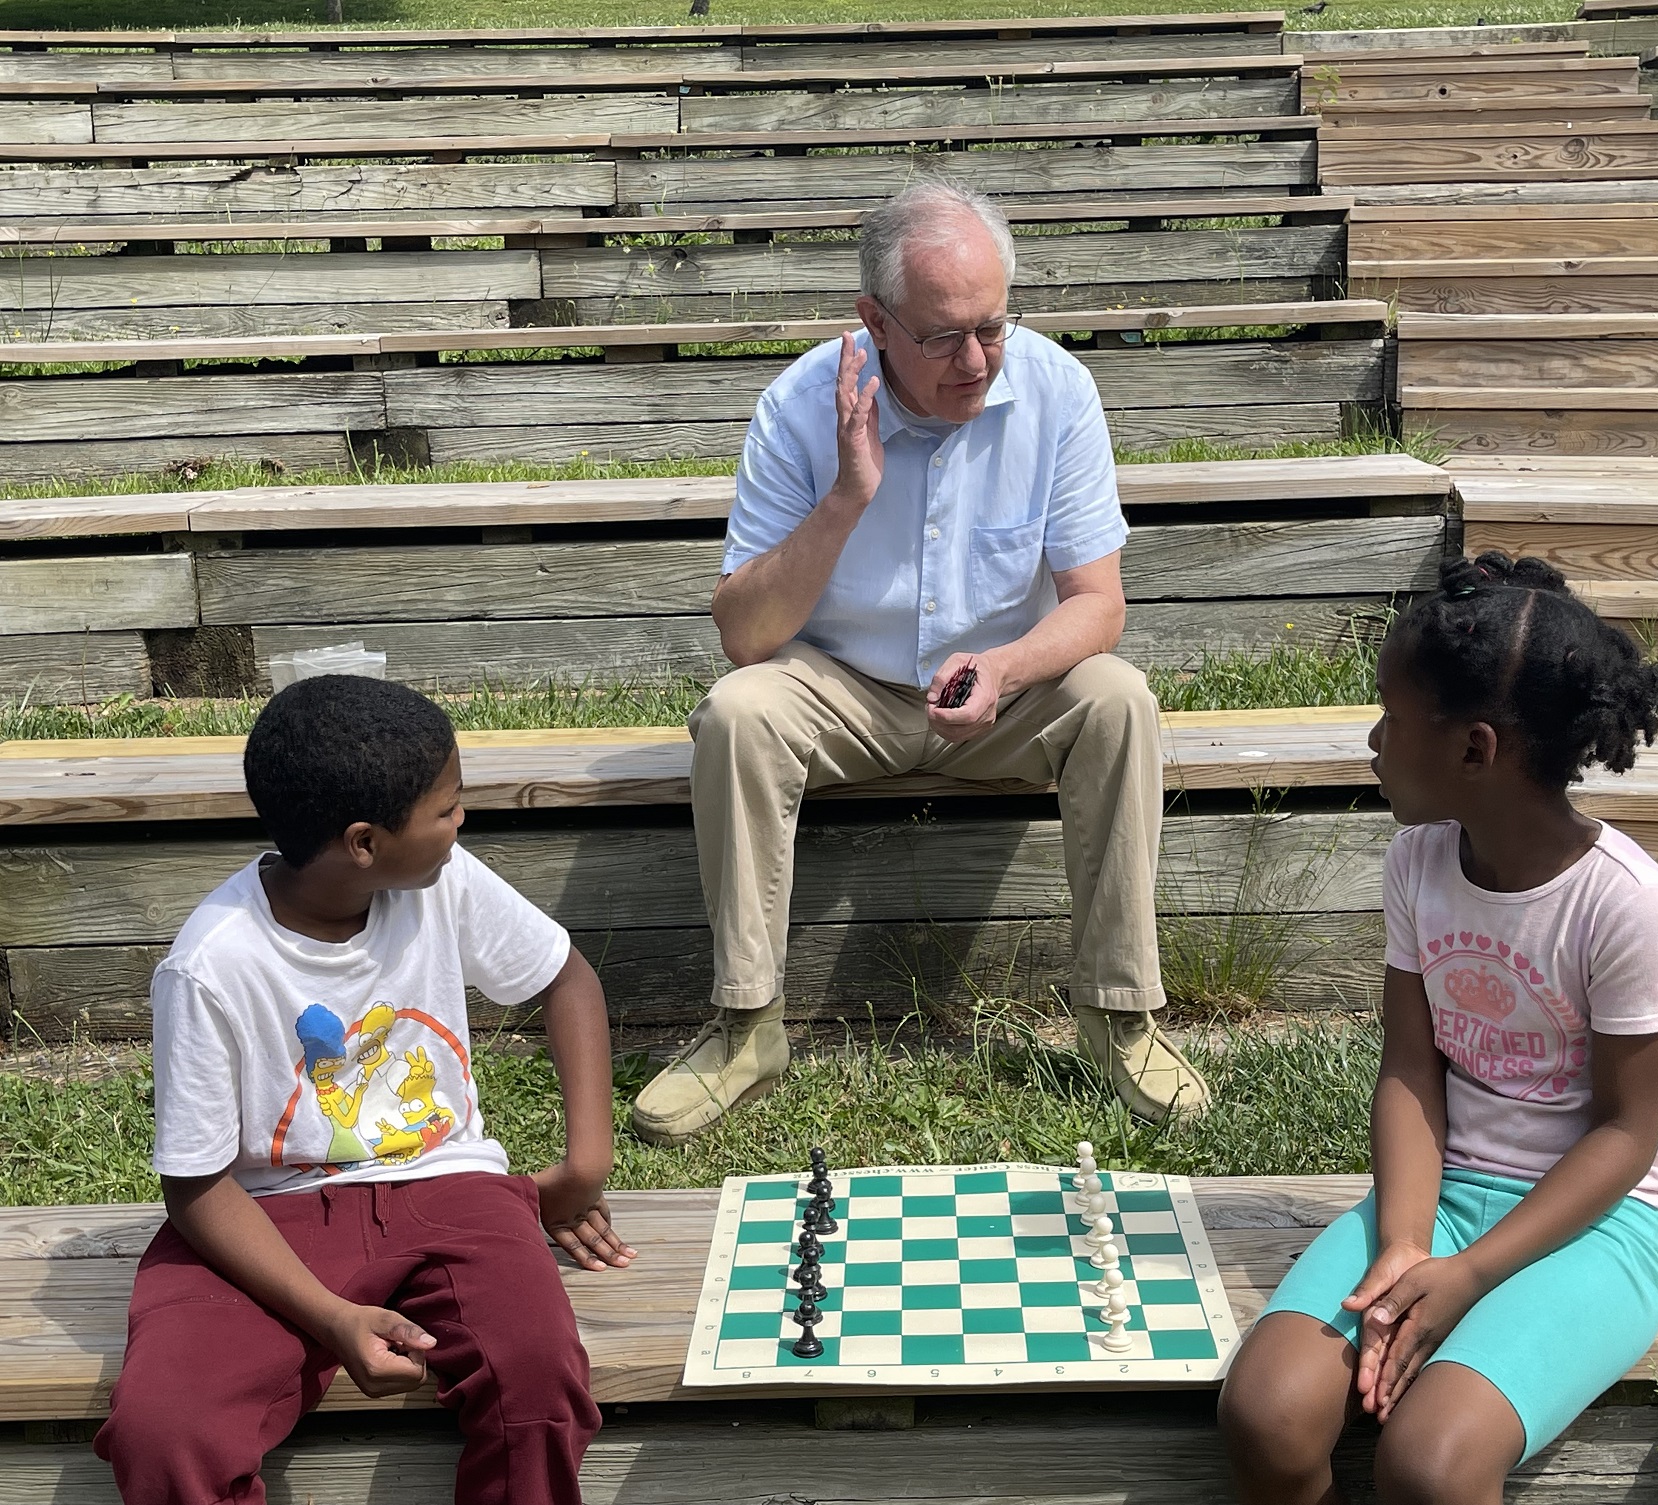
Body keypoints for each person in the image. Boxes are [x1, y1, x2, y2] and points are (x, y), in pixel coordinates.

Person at [629, 177, 1209, 1145]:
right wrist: (847, 496)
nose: (975, 360)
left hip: (1005, 683)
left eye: (992, 327)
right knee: (737, 710)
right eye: (943, 336)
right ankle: (746, 1028)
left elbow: (1097, 605)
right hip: (839, 687)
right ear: (874, 321)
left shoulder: (1056, 389)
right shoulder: (800, 402)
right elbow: (745, 635)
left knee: (1117, 699)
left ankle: (1118, 1015)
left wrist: (1009, 667)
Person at [1217, 553, 1658, 1505]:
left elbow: (1626, 1133)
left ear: (1476, 750)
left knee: (1430, 1466)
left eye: (1394, 719)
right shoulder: (1418, 862)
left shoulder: (1628, 905)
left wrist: (1469, 1273)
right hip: (1437, 1197)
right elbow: (1409, 1065)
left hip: (1593, 1227)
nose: (1374, 738)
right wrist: (1404, 1250)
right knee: (1266, 1414)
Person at [95, 675, 635, 1505]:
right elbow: (195, 1185)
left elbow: (566, 978)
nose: (462, 823)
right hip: (268, 1215)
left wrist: (584, 1167)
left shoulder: (442, 881)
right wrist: (330, 1315)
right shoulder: (209, 963)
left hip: (450, 1187)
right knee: (164, 1429)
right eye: (448, 808)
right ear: (363, 842)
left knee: (537, 1379)